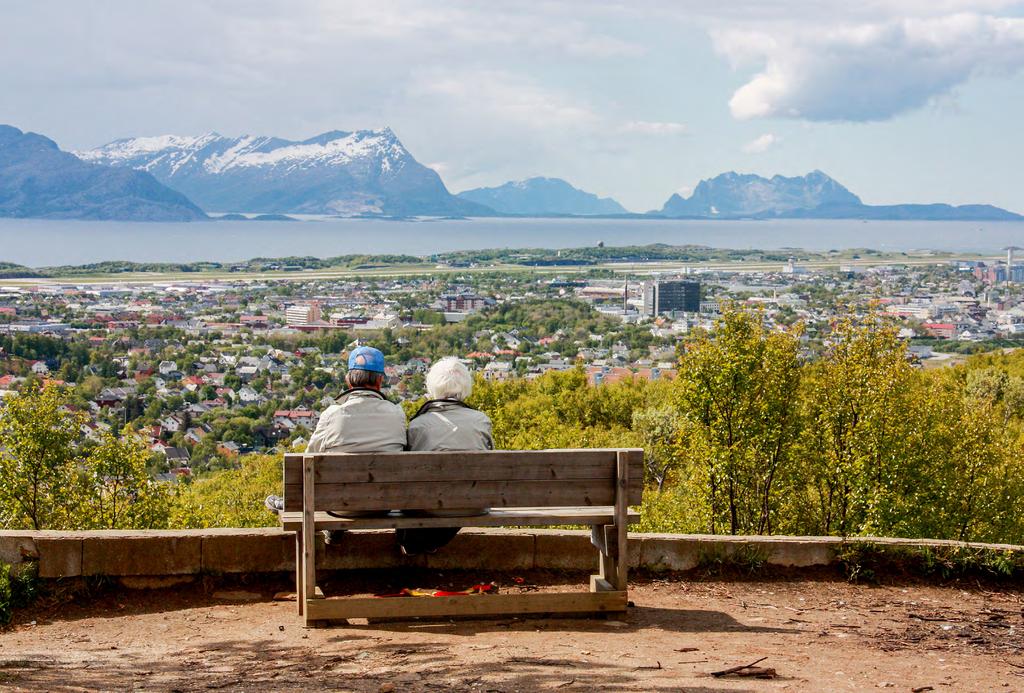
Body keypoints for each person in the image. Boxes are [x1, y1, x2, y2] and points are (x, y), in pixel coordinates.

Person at [265, 346, 406, 545]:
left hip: (339, 506)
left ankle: (330, 526)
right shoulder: (397, 414)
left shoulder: (333, 415)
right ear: (381, 380)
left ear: (348, 379)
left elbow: (308, 459)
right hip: (384, 504)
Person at [398, 356, 493, 555]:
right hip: (473, 505)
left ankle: (417, 544)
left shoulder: (418, 425)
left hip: (429, 506)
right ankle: (424, 544)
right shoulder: (481, 421)